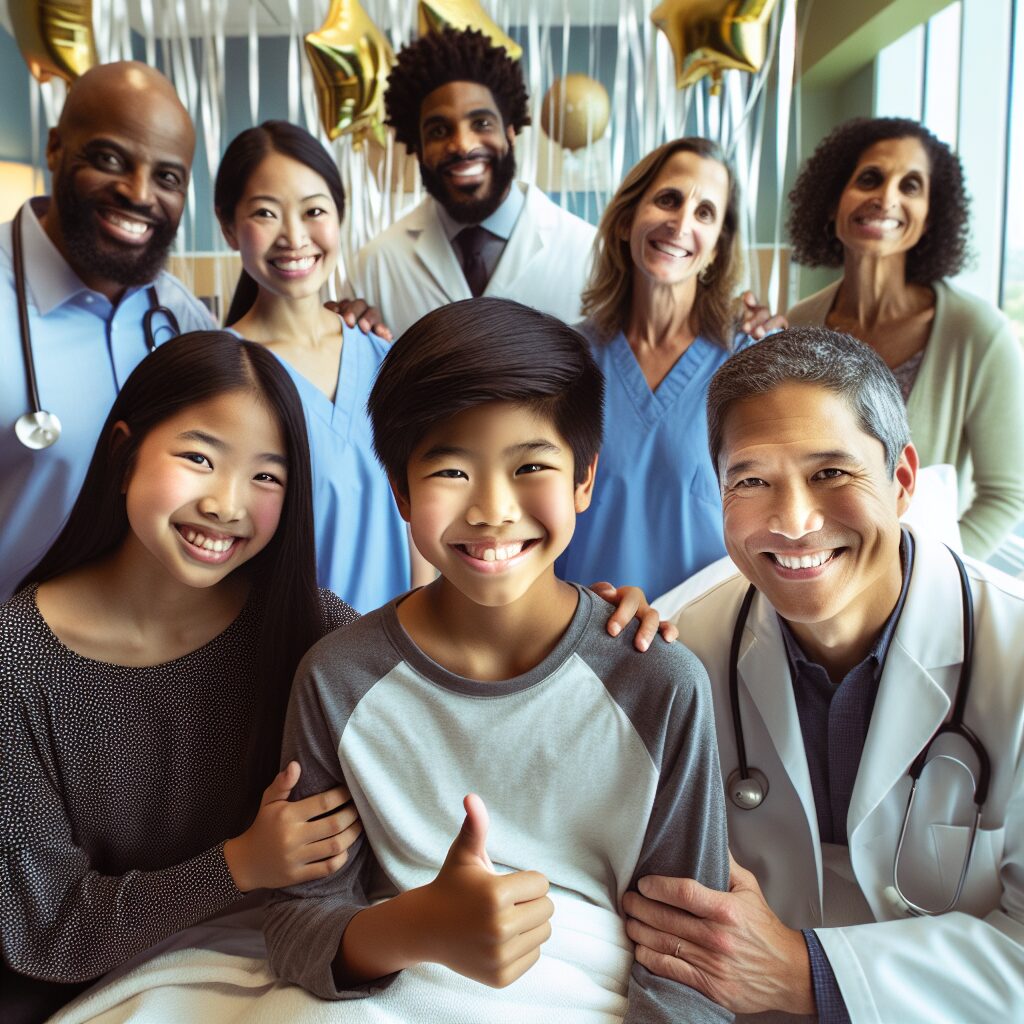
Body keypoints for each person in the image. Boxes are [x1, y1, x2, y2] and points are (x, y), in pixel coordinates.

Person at [261, 298, 730, 1023]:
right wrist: (419, 927)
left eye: (530, 466)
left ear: (583, 479)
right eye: (450, 471)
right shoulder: (338, 679)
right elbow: (296, 926)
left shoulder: (657, 683)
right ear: (401, 493)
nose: (491, 510)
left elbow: (689, 961)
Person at [621, 327, 1024, 1022]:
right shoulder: (678, 646)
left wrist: (807, 976)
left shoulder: (1012, 654)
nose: (795, 521)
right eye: (750, 480)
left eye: (831, 473)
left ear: (901, 481)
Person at [0, 332, 364, 1024]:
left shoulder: (301, 622)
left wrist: (591, 621)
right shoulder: (14, 661)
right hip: (92, 998)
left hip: (276, 972)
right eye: (200, 458)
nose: (228, 504)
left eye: (267, 476)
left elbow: (441, 668)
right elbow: (45, 929)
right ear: (123, 453)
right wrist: (238, 865)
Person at [0, 61, 216, 600]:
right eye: (110, 159)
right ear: (55, 148)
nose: (139, 194)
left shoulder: (186, 321)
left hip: (152, 655)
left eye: (167, 177)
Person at [786, 116, 1024, 559]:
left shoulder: (977, 333)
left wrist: (928, 577)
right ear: (834, 200)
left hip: (924, 597)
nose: (886, 197)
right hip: (814, 574)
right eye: (870, 178)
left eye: (910, 186)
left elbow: (1007, 495)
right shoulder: (801, 321)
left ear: (931, 216)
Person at [214, 121, 420, 611]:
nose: (294, 236)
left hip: (398, 652)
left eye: (314, 211)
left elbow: (419, 521)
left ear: (339, 218)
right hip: (280, 657)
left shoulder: (384, 358)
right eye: (266, 212)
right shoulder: (219, 372)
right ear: (227, 227)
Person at [558, 137, 766, 598]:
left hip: (706, 639)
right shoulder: (566, 359)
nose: (680, 223)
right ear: (627, 219)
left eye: (704, 213)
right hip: (584, 637)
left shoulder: (754, 362)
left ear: (716, 248)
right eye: (669, 199)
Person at [344, 27, 597, 339]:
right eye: (438, 130)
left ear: (510, 132)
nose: (462, 145)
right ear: (418, 147)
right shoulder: (376, 264)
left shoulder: (588, 253)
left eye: (482, 123)